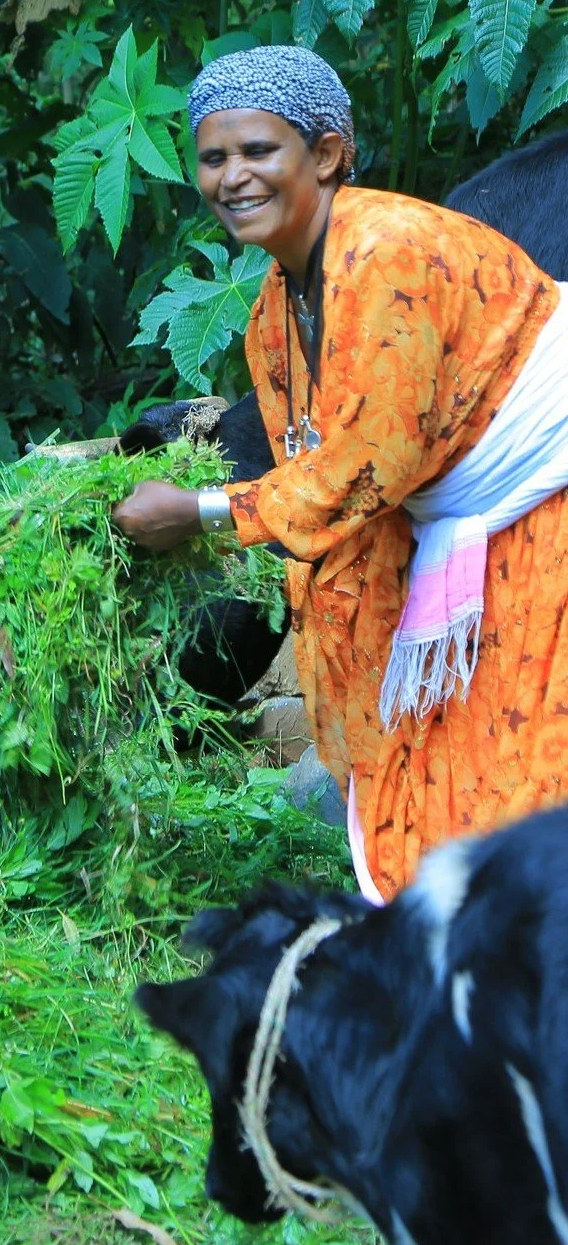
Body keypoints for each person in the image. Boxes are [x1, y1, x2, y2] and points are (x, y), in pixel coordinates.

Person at [111, 44, 568, 901]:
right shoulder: (272, 317)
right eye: (213, 158)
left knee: (522, 763)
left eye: (257, 151)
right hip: (452, 516)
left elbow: (364, 471)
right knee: (429, 754)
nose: (232, 178)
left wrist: (202, 511)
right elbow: (311, 479)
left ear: (324, 156)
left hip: (539, 491)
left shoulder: (384, 254)